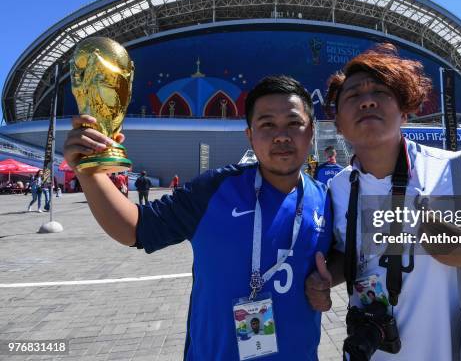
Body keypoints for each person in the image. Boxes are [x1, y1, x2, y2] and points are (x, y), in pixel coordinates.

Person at [62, 75, 333, 360]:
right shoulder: (214, 189)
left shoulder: (326, 200)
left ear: (311, 131)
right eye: (267, 124)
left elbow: (346, 257)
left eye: (294, 123)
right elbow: (135, 228)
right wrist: (87, 170)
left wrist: (326, 281)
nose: (281, 135)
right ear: (250, 135)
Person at [305, 44, 461, 361]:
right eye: (352, 95)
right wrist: (326, 278)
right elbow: (348, 254)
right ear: (339, 124)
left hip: (450, 351)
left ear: (404, 110)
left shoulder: (460, 171)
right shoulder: (337, 187)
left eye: (380, 92)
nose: (368, 100)